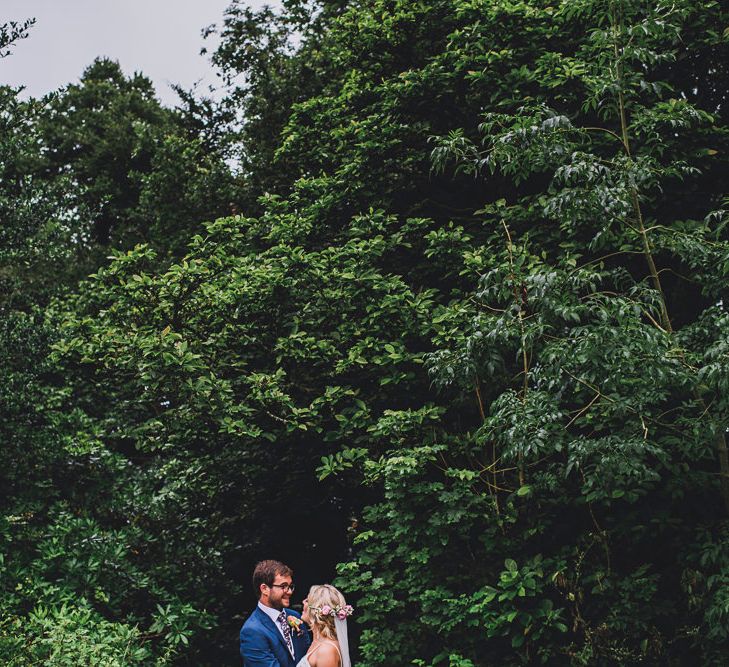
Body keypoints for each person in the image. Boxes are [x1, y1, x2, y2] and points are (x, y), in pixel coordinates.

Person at [240, 560, 312, 666]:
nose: (289, 591)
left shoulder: (295, 616)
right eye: (283, 586)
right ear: (264, 589)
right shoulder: (252, 630)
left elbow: (308, 655)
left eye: (290, 586)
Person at [297, 584, 353, 667]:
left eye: (308, 601)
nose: (303, 602)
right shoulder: (317, 642)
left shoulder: (326, 651)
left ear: (316, 611)